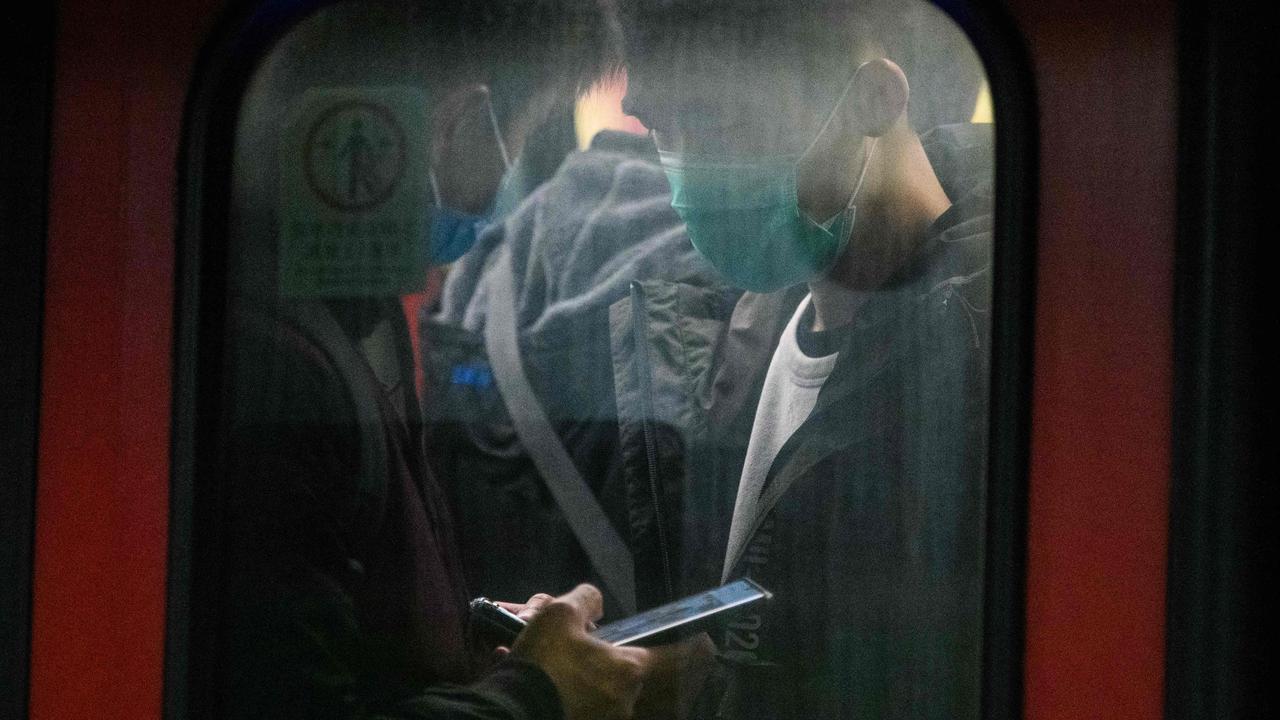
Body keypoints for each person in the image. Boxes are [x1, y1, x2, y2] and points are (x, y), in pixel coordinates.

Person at [217, 1, 711, 718]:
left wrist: (481, 634)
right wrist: (536, 694)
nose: (514, 173)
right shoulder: (281, 367)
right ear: (458, 125)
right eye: (524, 133)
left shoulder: (357, 309)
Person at [614, 1, 994, 718]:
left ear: (874, 100)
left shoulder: (982, 357)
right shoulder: (733, 329)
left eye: (727, 120)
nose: (695, 169)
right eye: (662, 125)